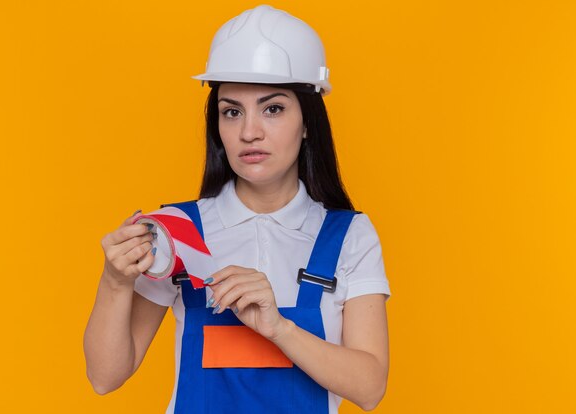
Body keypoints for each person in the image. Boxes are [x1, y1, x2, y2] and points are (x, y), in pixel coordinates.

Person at [84, 5, 391, 413]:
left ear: (307, 122)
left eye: (273, 108)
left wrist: (278, 329)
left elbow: (370, 388)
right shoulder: (177, 232)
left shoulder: (349, 235)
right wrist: (114, 282)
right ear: (218, 126)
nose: (249, 132)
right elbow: (105, 377)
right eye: (232, 112)